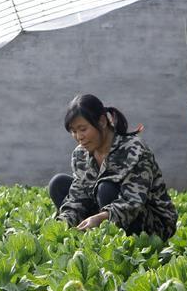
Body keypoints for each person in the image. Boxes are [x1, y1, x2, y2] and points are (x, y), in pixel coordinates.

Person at [48, 94, 178, 240]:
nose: (79, 137)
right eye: (73, 131)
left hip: (153, 224)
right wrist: (62, 226)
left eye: (83, 129)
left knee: (106, 189)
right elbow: (78, 197)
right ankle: (88, 236)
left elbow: (133, 202)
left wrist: (101, 218)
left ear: (102, 122)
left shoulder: (134, 149)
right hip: (105, 215)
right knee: (58, 184)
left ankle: (115, 241)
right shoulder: (80, 154)